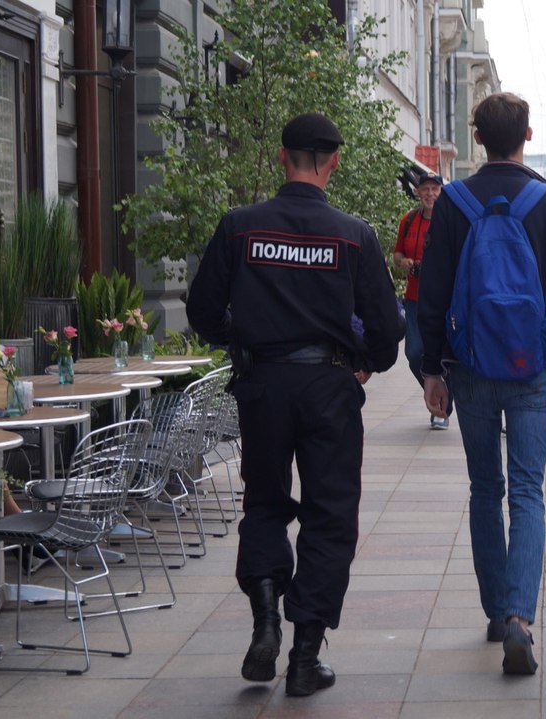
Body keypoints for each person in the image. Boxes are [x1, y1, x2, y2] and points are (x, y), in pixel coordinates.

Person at [186, 112, 404, 697]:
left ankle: (264, 618)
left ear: (283, 158)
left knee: (263, 502)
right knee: (331, 514)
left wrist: (246, 336)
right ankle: (305, 656)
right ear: (331, 163)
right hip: (329, 386)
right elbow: (387, 327)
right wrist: (366, 362)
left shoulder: (239, 227)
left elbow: (202, 311)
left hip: (263, 386)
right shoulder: (354, 235)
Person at [417, 92, 546, 676]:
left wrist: (431, 371)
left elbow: (433, 294)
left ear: (477, 136)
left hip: (469, 368)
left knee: (483, 490)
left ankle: (495, 612)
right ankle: (520, 617)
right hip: (531, 368)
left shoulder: (454, 202)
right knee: (527, 491)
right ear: (528, 134)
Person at [392, 169, 451, 429]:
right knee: (414, 352)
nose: (430, 194)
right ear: (417, 192)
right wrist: (404, 262)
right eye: (425, 189)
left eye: (434, 189)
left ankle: (441, 405)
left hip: (445, 300)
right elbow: (396, 255)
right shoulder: (409, 220)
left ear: (441, 192)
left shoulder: (449, 220)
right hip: (415, 298)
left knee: (444, 354)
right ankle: (439, 395)